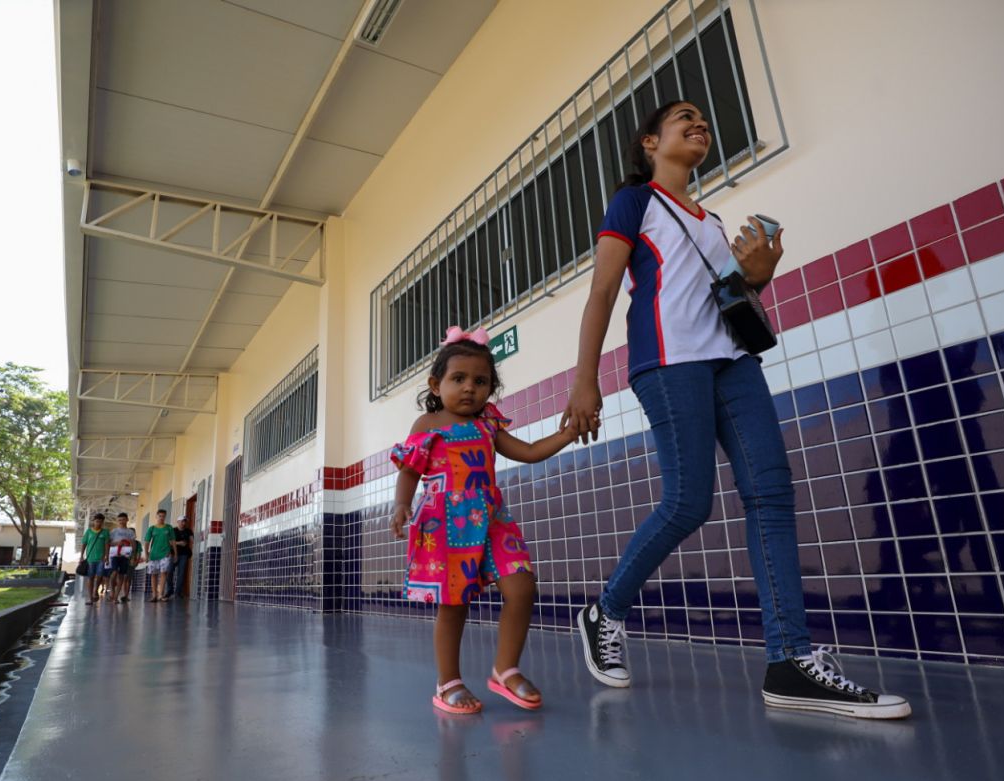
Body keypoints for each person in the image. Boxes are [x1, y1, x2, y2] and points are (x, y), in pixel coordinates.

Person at [563, 100, 910, 719]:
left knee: (771, 494)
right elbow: (604, 290)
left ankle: (788, 661)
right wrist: (584, 380)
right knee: (687, 501)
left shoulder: (712, 218)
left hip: (733, 361)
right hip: (669, 363)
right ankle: (606, 610)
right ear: (650, 142)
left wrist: (760, 273)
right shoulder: (634, 203)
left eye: (705, 118)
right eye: (685, 118)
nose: (701, 124)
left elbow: (729, 299)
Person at [390, 326, 578, 714]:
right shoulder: (427, 426)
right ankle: (448, 682)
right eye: (458, 379)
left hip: (492, 520)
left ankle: (505, 670)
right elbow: (409, 470)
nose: (470, 388)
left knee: (522, 585)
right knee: (453, 603)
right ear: (435, 384)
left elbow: (527, 451)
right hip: (446, 524)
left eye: (481, 382)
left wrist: (567, 434)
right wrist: (400, 506)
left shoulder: (489, 423)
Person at [144, 509, 177, 602]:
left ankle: (160, 594)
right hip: (154, 554)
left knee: (164, 573)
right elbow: (147, 542)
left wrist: (175, 554)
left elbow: (173, 541)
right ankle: (154, 594)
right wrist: (146, 554)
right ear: (156, 516)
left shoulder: (169, 528)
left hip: (165, 554)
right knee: (153, 574)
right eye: (160, 516)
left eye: (163, 516)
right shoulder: (152, 528)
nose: (161, 518)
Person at [108, 513, 138, 603]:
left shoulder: (130, 532)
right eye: (120, 520)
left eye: (123, 519)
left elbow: (134, 544)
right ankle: (112, 591)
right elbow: (109, 543)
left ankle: (116, 597)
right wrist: (117, 543)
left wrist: (133, 555)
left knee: (121, 576)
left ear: (127, 520)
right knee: (114, 573)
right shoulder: (113, 532)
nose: (121, 522)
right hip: (115, 556)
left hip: (125, 557)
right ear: (118, 521)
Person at [80, 513, 109, 605]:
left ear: (102, 522)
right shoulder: (88, 532)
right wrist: (81, 556)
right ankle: (90, 598)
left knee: (100, 576)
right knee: (91, 577)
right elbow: (84, 544)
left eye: (100, 522)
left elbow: (107, 545)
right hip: (90, 559)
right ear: (94, 521)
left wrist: (107, 556)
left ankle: (95, 590)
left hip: (101, 558)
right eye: (97, 521)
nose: (98, 523)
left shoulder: (105, 532)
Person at [168, 516, 193, 599]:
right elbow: (169, 542)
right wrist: (179, 543)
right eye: (182, 521)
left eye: (185, 521)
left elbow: (192, 540)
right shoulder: (173, 531)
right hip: (173, 554)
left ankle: (178, 592)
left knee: (181, 573)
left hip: (184, 554)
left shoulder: (188, 531)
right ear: (177, 521)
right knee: (170, 571)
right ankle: (169, 590)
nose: (184, 523)